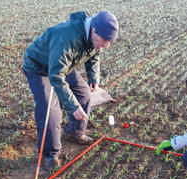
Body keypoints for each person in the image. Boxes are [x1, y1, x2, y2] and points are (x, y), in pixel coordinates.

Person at [23, 11, 119, 170]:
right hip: (39, 67)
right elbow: (56, 76)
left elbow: (95, 53)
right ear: (93, 30)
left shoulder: (95, 37)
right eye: (104, 40)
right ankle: (50, 153)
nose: (106, 45)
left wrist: (93, 77)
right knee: (50, 109)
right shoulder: (66, 39)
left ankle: (74, 131)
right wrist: (73, 107)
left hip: (62, 66)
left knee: (84, 94)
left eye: (109, 41)